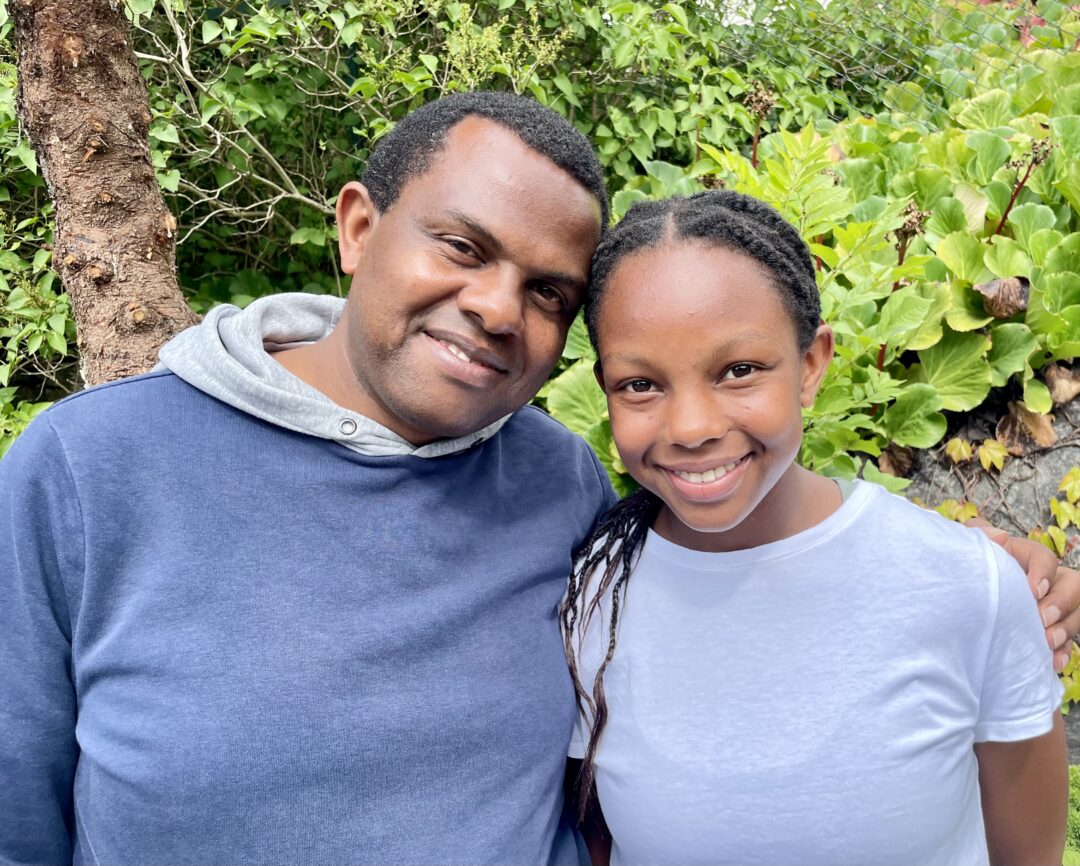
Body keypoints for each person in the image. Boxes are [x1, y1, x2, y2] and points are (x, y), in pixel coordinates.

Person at [0, 92, 1073, 865]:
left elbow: (735, 519)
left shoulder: (553, 481)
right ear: (358, 227)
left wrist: (971, 568)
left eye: (548, 291)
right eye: (462, 247)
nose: (497, 308)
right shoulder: (88, 471)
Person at [562, 190, 1068, 866]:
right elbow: (597, 834)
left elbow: (1027, 852)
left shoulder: (964, 586)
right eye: (640, 385)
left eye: (739, 371)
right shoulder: (594, 595)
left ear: (810, 364)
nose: (691, 427)